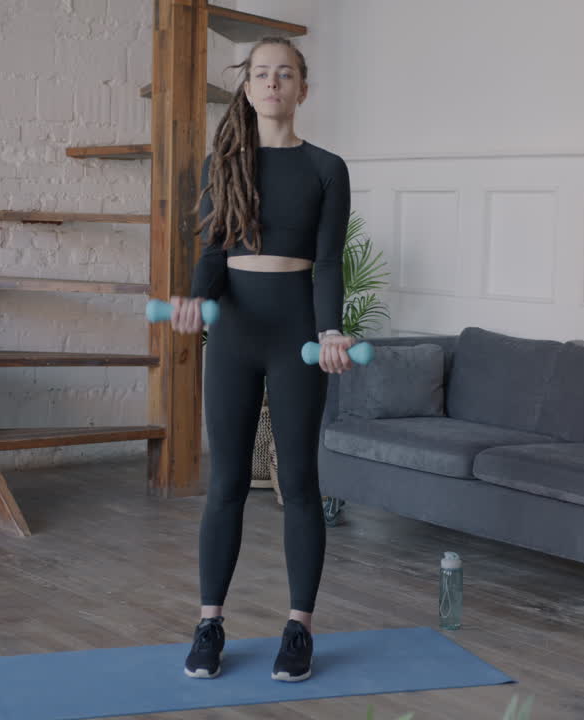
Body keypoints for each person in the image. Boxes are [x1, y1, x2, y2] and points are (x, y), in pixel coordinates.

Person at [165, 36, 354, 683]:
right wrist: (194, 301)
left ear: (304, 89)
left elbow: (328, 263)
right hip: (237, 333)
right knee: (226, 486)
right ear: (248, 87)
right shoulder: (224, 164)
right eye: (262, 74)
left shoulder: (328, 168)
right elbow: (214, 256)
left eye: (286, 74)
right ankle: (210, 623)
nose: (273, 83)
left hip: (296, 330)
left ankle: (298, 629)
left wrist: (330, 330)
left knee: (298, 485)